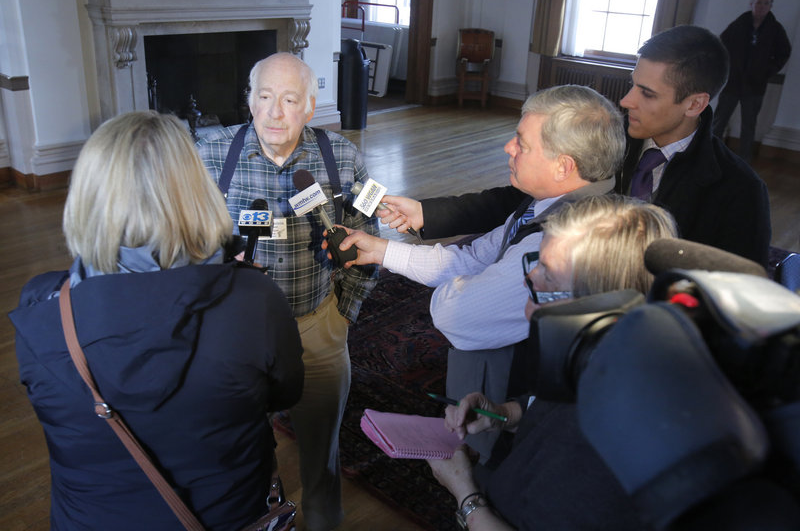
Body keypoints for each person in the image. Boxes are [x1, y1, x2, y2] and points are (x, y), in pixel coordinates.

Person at [9, 111, 305, 530]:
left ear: (87, 194)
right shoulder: (254, 301)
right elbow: (285, 393)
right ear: (195, 190)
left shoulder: (40, 304)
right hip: (230, 516)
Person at [328, 84, 626, 459]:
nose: (508, 148)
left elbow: (456, 314)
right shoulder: (545, 207)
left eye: (522, 142)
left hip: (514, 407)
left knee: (490, 476)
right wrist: (383, 252)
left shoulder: (561, 241)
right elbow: (471, 258)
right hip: (501, 392)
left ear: (563, 165)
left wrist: (468, 286)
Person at [379, 26, 772, 268]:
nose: (626, 101)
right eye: (633, 83)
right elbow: (521, 198)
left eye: (646, 93)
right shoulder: (610, 136)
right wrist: (426, 211)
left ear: (695, 103)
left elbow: (732, 300)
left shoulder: (737, 191)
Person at [196, 52, 379, 530]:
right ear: (250, 101)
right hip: (236, 340)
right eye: (264, 97)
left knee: (322, 455)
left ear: (310, 108)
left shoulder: (341, 157)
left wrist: (345, 313)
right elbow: (178, 242)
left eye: (290, 99)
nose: (275, 112)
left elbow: (368, 236)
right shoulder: (208, 156)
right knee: (242, 457)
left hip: (318, 327)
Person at [426, 194, 679, 531]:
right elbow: (556, 404)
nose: (530, 278)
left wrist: (465, 494)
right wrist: (504, 414)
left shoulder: (598, 441)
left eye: (549, 273)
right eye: (536, 260)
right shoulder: (612, 355)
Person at [713, 0, 791, 163]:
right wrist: (726, 68)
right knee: (719, 121)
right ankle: (710, 154)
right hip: (732, 82)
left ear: (771, 6)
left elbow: (784, 53)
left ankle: (744, 162)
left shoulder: (775, 29)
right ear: (752, 4)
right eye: (758, 3)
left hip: (755, 86)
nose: (761, 7)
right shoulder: (740, 23)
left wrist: (767, 71)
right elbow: (721, 43)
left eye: (766, 3)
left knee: (748, 126)